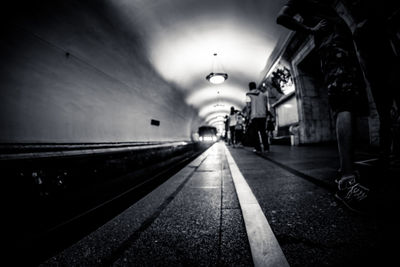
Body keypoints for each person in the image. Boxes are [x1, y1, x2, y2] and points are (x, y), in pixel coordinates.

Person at [276, 0, 370, 213]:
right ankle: (346, 180)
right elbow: (282, 16)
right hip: (331, 44)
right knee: (344, 102)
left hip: (342, 42)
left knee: (351, 102)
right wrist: (310, 29)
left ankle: (347, 170)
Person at [246, 82, 269, 153]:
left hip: (254, 116)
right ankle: (266, 148)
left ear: (249, 87)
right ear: (255, 87)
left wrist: (248, 116)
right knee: (263, 132)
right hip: (263, 115)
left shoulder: (248, 94)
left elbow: (248, 106)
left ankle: (258, 148)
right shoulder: (263, 94)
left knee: (255, 133)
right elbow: (266, 105)